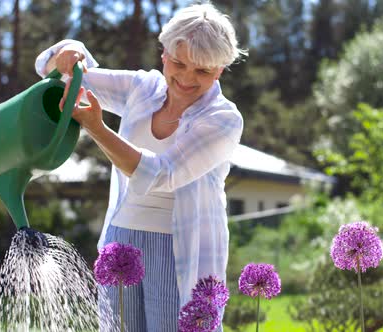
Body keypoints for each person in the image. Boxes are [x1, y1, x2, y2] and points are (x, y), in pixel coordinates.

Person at [34, 3, 246, 331]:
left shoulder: (224, 119)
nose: (187, 79)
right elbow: (64, 73)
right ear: (164, 54)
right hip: (121, 237)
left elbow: (163, 174)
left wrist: (98, 129)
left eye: (203, 71)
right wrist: (70, 50)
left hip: (179, 250)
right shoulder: (142, 87)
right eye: (179, 63)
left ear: (220, 70)